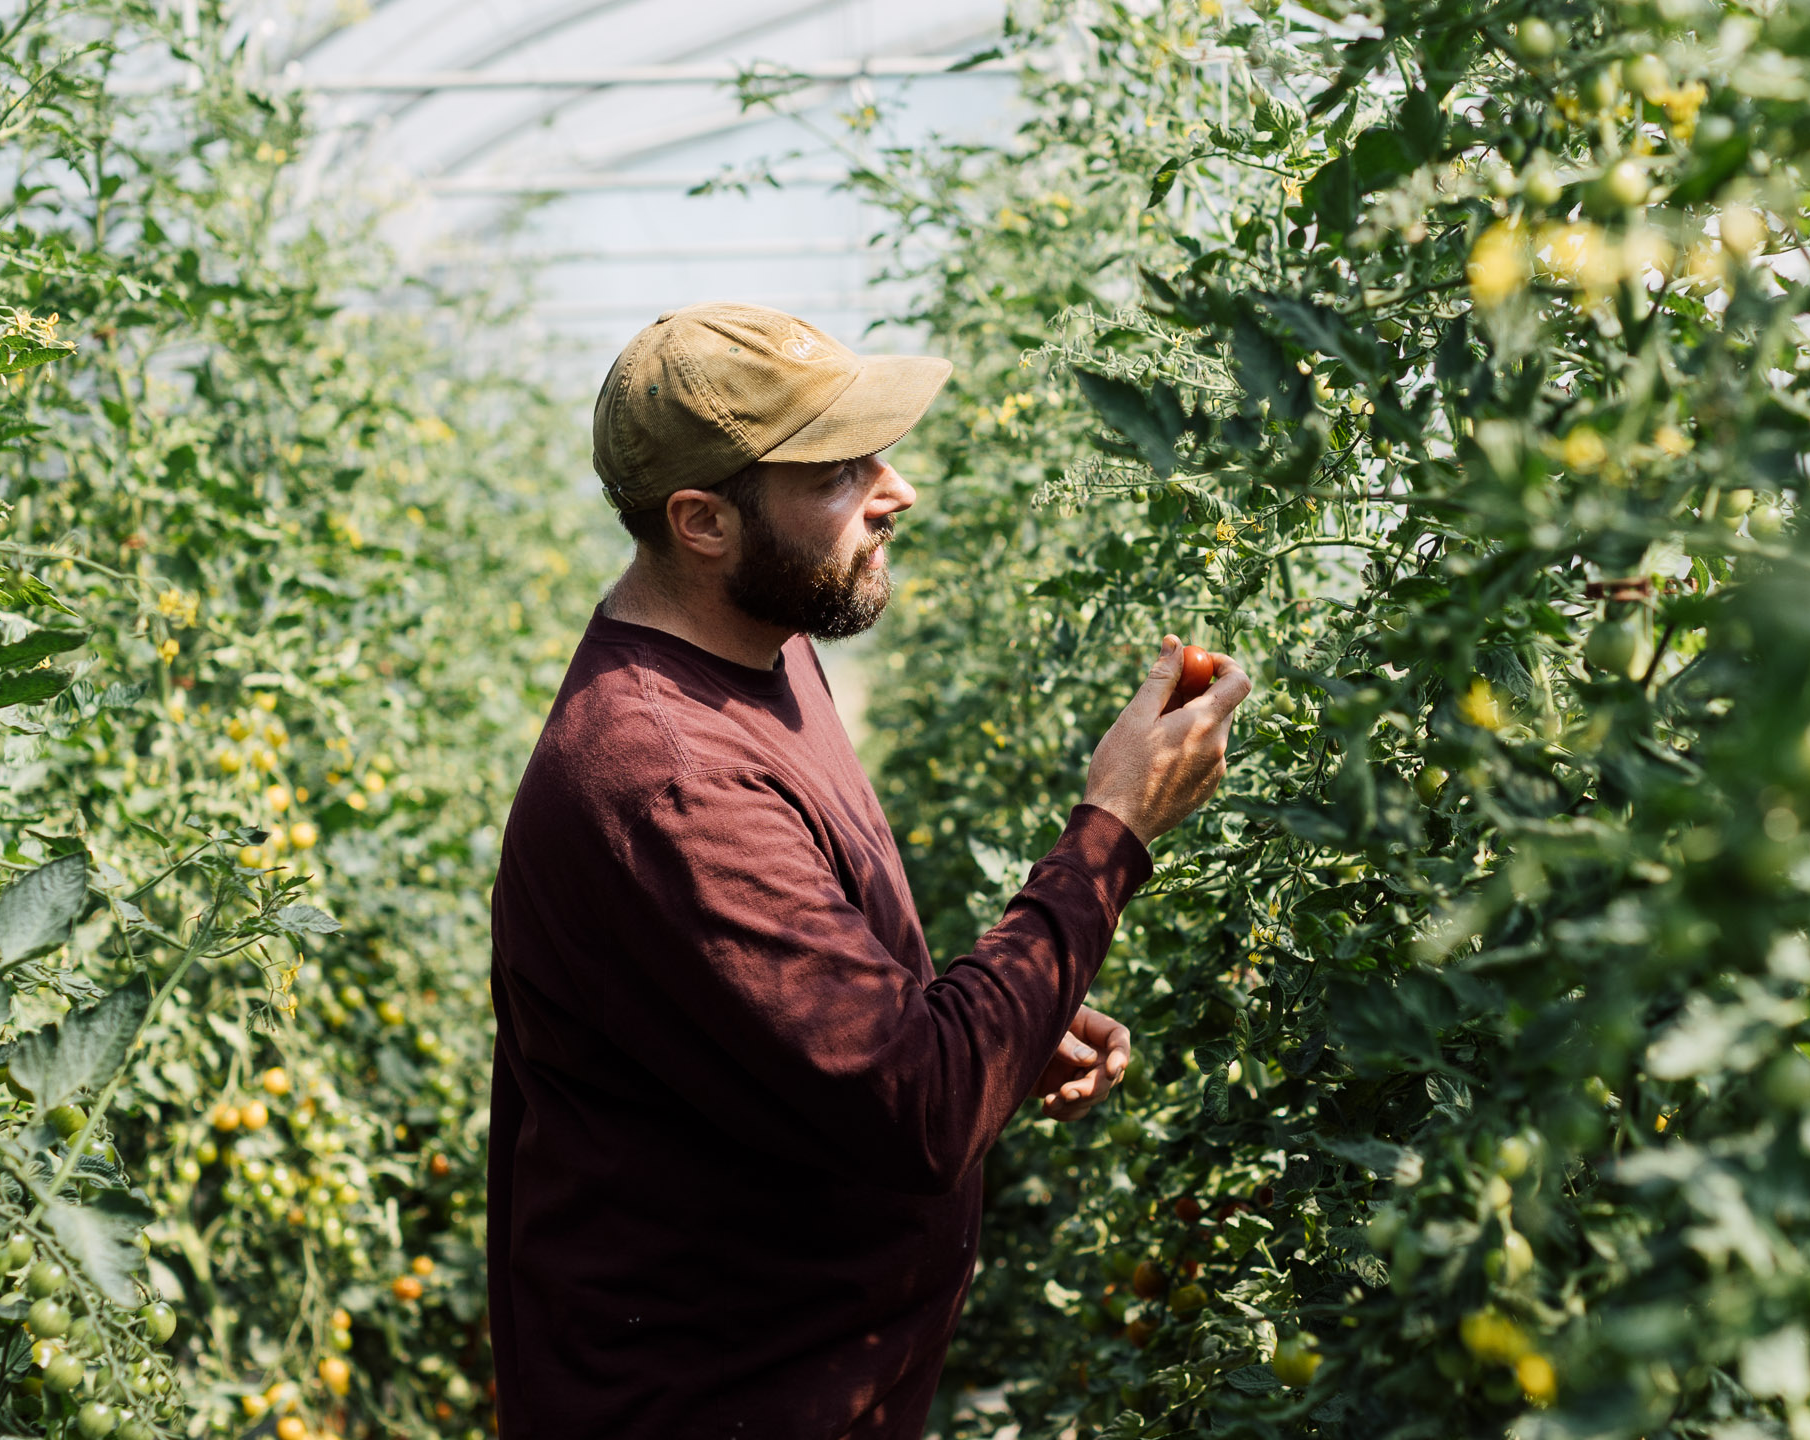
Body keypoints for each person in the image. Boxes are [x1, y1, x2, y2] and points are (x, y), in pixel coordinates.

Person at [486, 302, 1250, 1439]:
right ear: (703, 521)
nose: (897, 492)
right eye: (841, 473)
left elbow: (820, 1026)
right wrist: (1115, 827)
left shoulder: (763, 648)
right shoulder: (670, 777)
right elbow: (919, 1105)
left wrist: (1008, 1021)